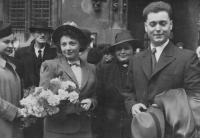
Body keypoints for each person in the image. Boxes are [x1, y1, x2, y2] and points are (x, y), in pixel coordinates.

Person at [123, 1, 200, 137]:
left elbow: (195, 98)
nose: (158, 28)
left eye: (163, 23)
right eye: (152, 24)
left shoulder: (187, 57)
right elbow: (129, 92)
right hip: (144, 130)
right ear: (146, 27)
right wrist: (132, 105)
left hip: (173, 132)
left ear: (170, 25)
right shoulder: (136, 59)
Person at [39, 22, 98, 138]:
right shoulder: (51, 65)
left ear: (80, 45)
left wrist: (91, 102)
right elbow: (43, 99)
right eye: (64, 44)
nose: (68, 48)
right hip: (58, 129)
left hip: (83, 129)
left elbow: (95, 95)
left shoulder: (91, 68)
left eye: (72, 43)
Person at [14, 20, 57, 138]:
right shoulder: (20, 53)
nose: (42, 35)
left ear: (49, 35)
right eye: (39, 32)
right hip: (29, 103)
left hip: (49, 102)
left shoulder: (56, 54)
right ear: (33, 34)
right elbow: (18, 77)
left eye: (45, 33)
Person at [98, 30, 140, 138]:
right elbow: (100, 99)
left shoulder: (140, 69)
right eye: (119, 49)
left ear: (133, 50)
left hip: (134, 124)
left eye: (126, 48)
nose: (122, 52)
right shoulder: (105, 69)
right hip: (111, 125)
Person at [0, 22, 23, 138]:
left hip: (13, 124)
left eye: (12, 42)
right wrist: (16, 112)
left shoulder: (10, 64)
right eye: (6, 42)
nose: (11, 45)